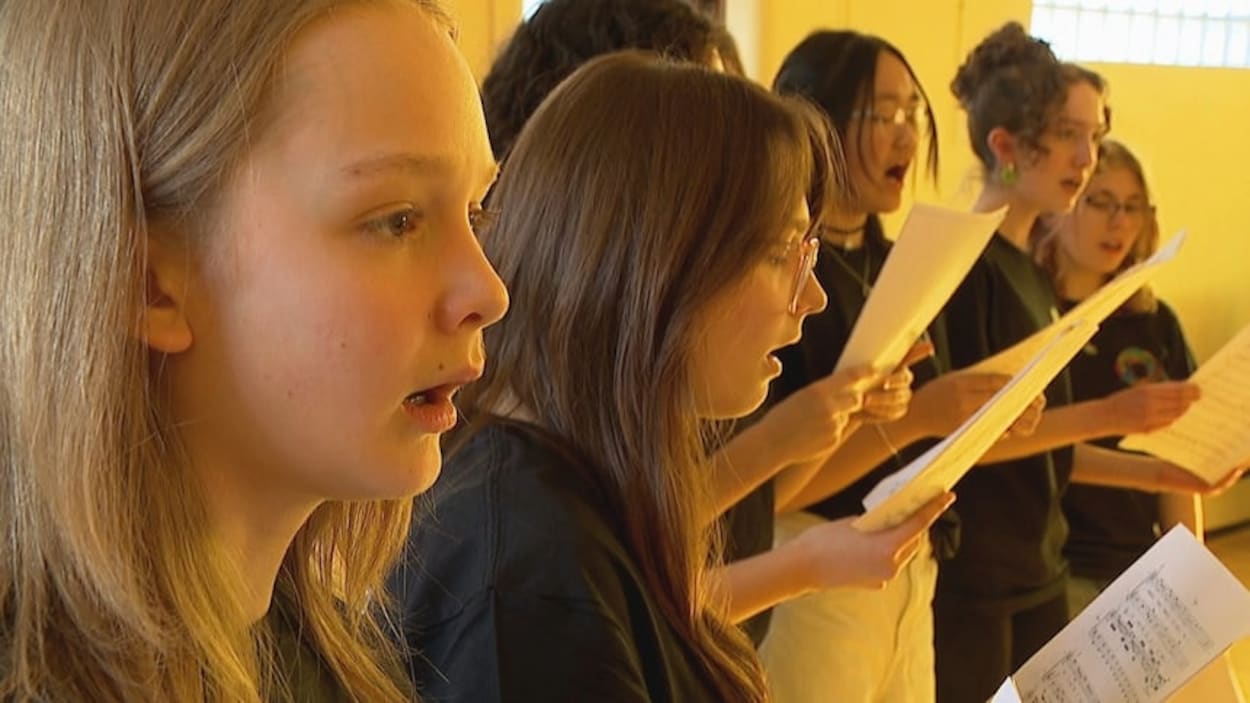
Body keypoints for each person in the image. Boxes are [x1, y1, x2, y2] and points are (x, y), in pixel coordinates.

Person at [389, 52, 952, 702]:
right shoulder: (528, 575)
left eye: (808, 255)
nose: (813, 296)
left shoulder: (574, 488)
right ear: (657, 264)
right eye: (780, 253)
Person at [0, 1, 507, 700]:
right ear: (148, 286)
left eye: (477, 210)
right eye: (397, 219)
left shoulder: (329, 654)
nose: (487, 290)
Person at [934, 23, 1236, 702]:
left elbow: (1044, 443)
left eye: (1095, 135)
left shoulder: (1028, 276)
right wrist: (1113, 414)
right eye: (1069, 134)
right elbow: (965, 442)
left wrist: (1161, 469)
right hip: (976, 579)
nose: (1085, 155)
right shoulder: (963, 264)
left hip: (1035, 560)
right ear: (1008, 144)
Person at [756, 30, 1040, 702]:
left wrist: (986, 414)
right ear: (816, 116)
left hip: (912, 560)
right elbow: (775, 487)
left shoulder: (901, 262)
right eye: (885, 114)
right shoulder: (778, 280)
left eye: (914, 113)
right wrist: (919, 418)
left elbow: (929, 420)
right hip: (813, 566)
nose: (908, 135)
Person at [1034, 140, 1203, 614]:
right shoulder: (1033, 317)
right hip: (1059, 570)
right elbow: (1034, 446)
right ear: (1062, 205)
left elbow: (1180, 464)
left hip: (1142, 566)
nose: (1119, 223)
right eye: (1101, 202)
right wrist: (1147, 472)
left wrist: (1189, 572)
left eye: (1132, 207)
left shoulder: (1156, 322)